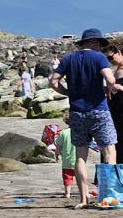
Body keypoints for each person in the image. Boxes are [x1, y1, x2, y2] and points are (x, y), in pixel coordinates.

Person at [50, 28, 123, 208]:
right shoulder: (98, 58)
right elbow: (109, 78)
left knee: (80, 156)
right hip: (98, 109)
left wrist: (68, 93)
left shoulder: (68, 59)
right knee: (109, 151)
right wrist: (111, 88)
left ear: (83, 43)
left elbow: (53, 81)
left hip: (76, 111)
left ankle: (83, 199)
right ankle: (109, 197)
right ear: (97, 43)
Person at [55, 111, 77, 199]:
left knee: (67, 178)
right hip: (79, 160)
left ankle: (67, 193)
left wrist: (57, 155)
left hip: (67, 161)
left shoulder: (63, 133)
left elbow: (58, 147)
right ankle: (85, 192)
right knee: (82, 177)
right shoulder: (79, 132)